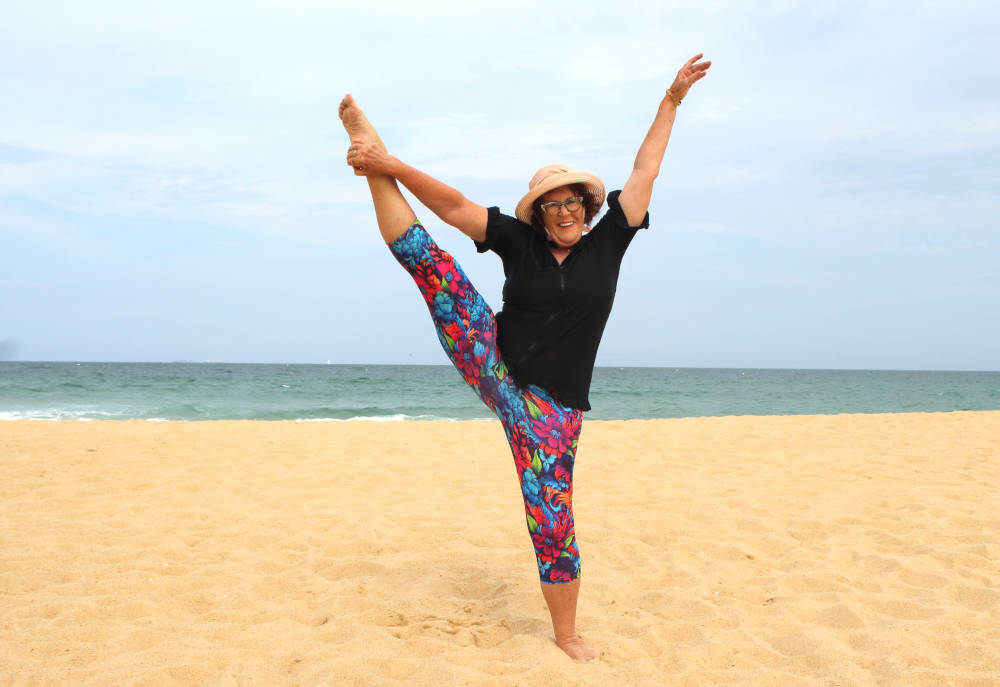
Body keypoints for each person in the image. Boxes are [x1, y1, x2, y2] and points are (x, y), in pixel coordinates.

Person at [339, 54, 711, 661]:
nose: (564, 212)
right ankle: (372, 160)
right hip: (494, 364)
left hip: (551, 413)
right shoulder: (519, 243)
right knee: (431, 266)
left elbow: (645, 169)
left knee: (552, 518)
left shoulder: (610, 243)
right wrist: (391, 166)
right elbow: (454, 207)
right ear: (538, 213)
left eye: (573, 204)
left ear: (587, 211)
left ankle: (566, 633)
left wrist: (670, 100)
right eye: (552, 205)